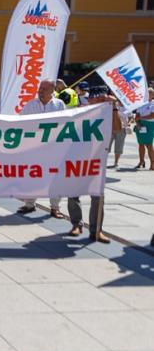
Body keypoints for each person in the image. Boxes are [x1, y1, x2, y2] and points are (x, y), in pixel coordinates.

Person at [66, 87, 111, 244]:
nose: (100, 102)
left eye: (103, 99)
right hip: (75, 159)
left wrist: (115, 108)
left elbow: (117, 129)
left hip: (97, 161)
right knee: (73, 193)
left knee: (98, 196)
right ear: (90, 99)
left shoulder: (109, 113)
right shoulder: (80, 112)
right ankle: (76, 224)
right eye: (98, 99)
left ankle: (96, 229)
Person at [17, 79, 66, 218]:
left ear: (52, 90)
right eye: (40, 88)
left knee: (55, 178)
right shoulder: (31, 105)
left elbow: (65, 123)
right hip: (34, 148)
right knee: (32, 175)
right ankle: (29, 204)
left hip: (54, 148)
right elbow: (20, 123)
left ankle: (55, 207)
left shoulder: (59, 105)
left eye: (44, 89)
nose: (41, 91)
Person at [133, 91, 154, 169]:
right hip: (141, 124)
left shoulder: (153, 103)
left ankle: (152, 163)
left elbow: (152, 115)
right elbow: (137, 115)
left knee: (149, 144)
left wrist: (141, 118)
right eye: (146, 93)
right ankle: (141, 161)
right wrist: (138, 123)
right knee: (141, 144)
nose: (147, 95)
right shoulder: (141, 103)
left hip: (150, 125)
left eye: (150, 93)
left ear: (153, 95)